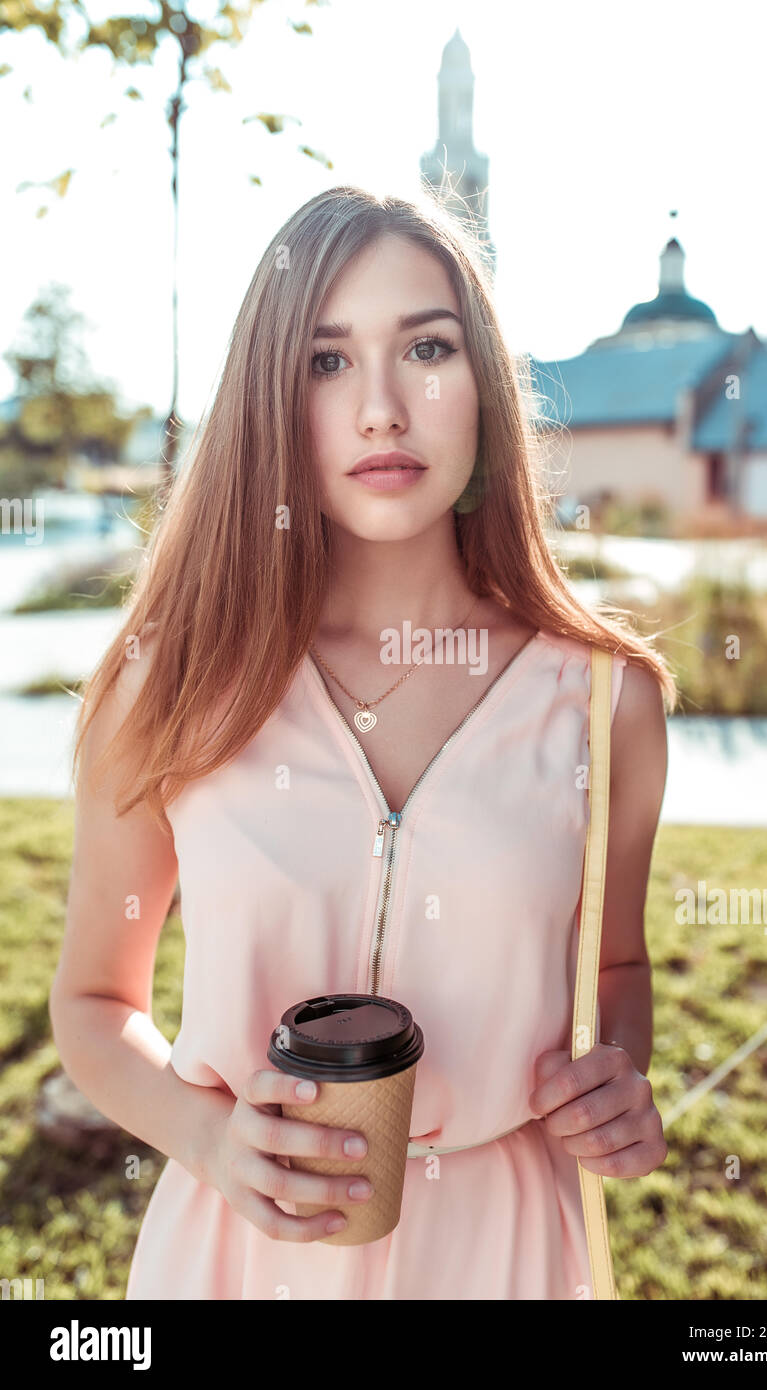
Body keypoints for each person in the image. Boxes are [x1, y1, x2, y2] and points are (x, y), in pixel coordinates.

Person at [50, 186, 673, 1301]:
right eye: (328, 361)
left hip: (511, 1256)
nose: (382, 409)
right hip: (241, 1259)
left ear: (483, 379)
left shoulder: (602, 702)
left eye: (426, 348)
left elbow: (614, 973)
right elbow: (96, 1005)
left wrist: (619, 1071)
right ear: (271, 398)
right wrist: (210, 1140)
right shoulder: (172, 680)